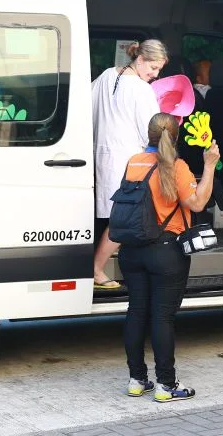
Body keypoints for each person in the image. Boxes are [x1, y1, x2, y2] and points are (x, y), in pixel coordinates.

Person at [120, 112, 220, 401]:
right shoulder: (178, 166)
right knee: (162, 317)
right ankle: (166, 385)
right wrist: (209, 166)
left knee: (136, 312)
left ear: (148, 134)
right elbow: (197, 202)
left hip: (131, 250)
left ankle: (137, 380)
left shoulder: (134, 162)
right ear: (175, 138)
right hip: (166, 252)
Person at [92, 39, 167, 288]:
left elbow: (88, 106)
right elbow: (153, 130)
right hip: (129, 160)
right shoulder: (141, 90)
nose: (155, 75)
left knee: (112, 214)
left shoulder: (106, 75)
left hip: (103, 155)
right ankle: (97, 269)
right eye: (153, 68)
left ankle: (109, 258)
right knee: (123, 218)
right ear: (140, 59)